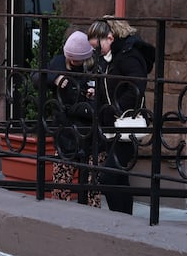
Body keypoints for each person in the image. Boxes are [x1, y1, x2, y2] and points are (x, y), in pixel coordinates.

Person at [85, 16, 156, 214]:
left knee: (109, 175)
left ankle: (120, 217)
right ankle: (125, 218)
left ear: (110, 37)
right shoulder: (106, 58)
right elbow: (107, 86)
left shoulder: (128, 56)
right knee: (119, 175)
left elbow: (136, 87)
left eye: (98, 45)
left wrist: (115, 109)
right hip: (110, 125)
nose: (96, 50)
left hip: (126, 123)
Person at [45, 30, 98, 204]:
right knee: (61, 182)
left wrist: (94, 94)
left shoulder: (94, 66)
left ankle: (90, 217)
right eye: (71, 58)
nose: (73, 62)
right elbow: (38, 76)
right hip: (65, 130)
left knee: (91, 186)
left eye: (77, 59)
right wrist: (55, 78)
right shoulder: (58, 62)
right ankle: (60, 213)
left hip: (89, 130)